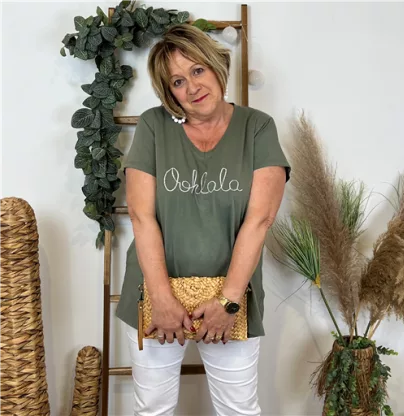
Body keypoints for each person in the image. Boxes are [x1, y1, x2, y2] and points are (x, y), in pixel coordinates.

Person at [115, 23, 291, 416]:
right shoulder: (153, 125)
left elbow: (259, 220)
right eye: (178, 81)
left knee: (238, 409)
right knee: (153, 409)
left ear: (215, 66)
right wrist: (161, 298)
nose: (192, 87)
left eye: (198, 70)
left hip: (231, 298)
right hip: (154, 294)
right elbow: (142, 217)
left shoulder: (257, 127)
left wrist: (227, 303)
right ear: (169, 92)